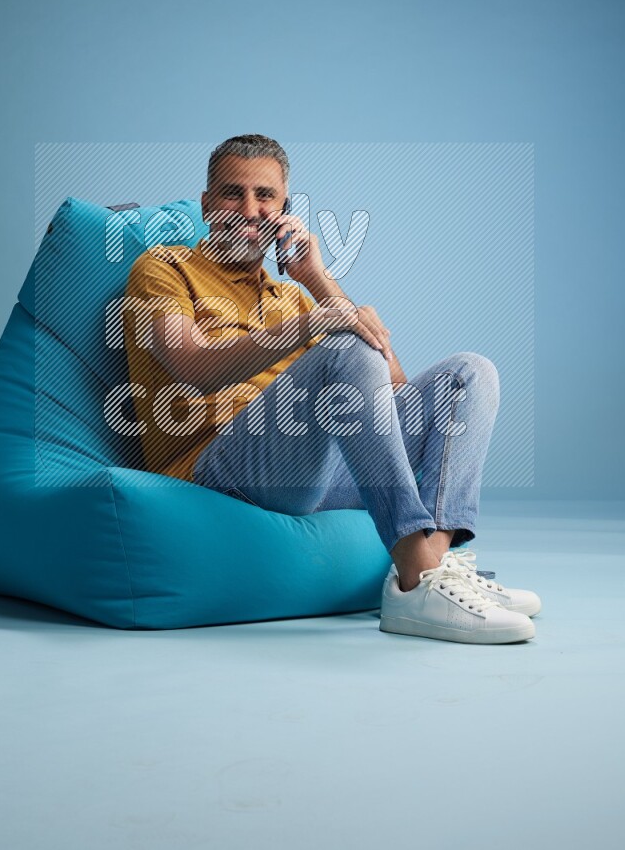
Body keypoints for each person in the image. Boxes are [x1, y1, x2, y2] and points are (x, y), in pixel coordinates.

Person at [122, 134, 541, 644]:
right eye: (232, 194)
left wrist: (317, 279)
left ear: (285, 209)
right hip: (214, 465)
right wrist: (312, 326)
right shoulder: (163, 268)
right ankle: (420, 575)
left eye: (265, 196)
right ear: (208, 204)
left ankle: (437, 564)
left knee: (469, 374)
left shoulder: (292, 295)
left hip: (309, 470)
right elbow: (192, 366)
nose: (248, 209)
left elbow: (391, 391)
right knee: (345, 344)